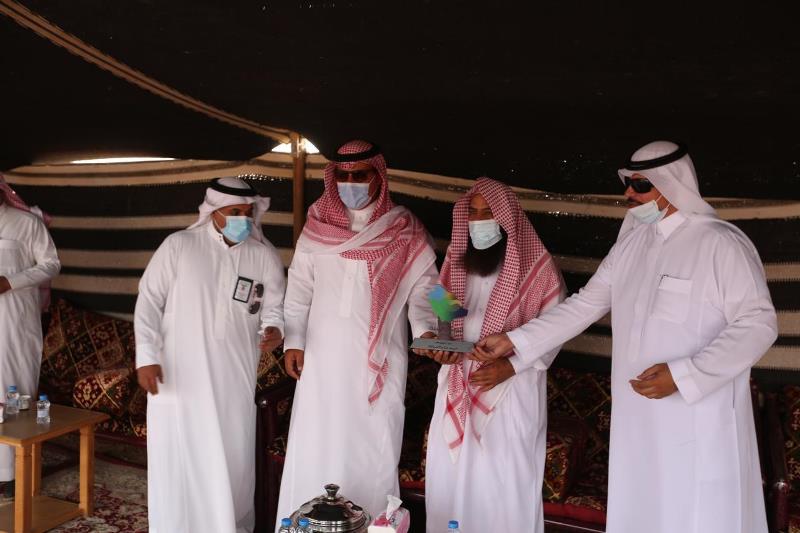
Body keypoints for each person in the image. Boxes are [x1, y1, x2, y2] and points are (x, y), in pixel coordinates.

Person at [475, 141, 777, 533]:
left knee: (696, 510)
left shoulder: (720, 243)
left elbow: (758, 323)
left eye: (641, 185)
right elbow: (586, 305)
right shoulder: (632, 243)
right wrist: (515, 341)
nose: (629, 194)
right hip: (637, 413)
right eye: (627, 184)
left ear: (672, 184)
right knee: (641, 504)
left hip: (696, 414)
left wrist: (685, 375)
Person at [276, 140, 438, 525]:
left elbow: (427, 286)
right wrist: (293, 341)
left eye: (359, 175)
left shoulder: (404, 229)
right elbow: (299, 288)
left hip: (377, 361)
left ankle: (370, 526)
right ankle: (305, 526)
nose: (351, 183)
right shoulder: (317, 224)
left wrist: (428, 329)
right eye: (343, 176)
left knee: (372, 446)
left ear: (378, 176)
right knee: (315, 440)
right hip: (321, 358)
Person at [134, 177, 285, 533]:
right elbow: (149, 301)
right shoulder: (179, 245)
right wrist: (146, 355)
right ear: (214, 211)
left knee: (230, 456)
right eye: (234, 212)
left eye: (248, 213)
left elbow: (275, 308)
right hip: (178, 375)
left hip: (233, 377)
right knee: (178, 457)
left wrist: (275, 329)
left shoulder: (263, 255)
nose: (243, 220)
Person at [417, 178, 565, 533]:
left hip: (510, 392)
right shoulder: (455, 264)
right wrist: (438, 345)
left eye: (489, 213)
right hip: (455, 384)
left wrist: (509, 366)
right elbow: (442, 316)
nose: (479, 220)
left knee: (500, 485)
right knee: (449, 481)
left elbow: (554, 333)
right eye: (473, 212)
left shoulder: (539, 271)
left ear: (507, 218)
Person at [0, 175, 60, 488]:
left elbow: (51, 264)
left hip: (15, 325)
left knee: (13, 392)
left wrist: (10, 282)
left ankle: (12, 474)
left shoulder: (27, 223)